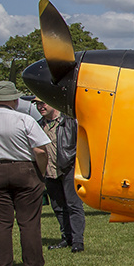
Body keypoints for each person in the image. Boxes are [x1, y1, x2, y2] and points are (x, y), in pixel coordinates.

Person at [0, 81, 50, 266]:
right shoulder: (24, 120)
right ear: (14, 100)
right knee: (29, 221)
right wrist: (41, 173)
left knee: (1, 222)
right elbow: (40, 150)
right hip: (25, 170)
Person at [36, 100, 84, 252]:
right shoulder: (38, 125)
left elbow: (80, 143)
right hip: (49, 171)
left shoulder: (69, 122)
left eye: (43, 103)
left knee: (74, 205)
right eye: (37, 105)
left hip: (68, 168)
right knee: (58, 207)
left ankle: (77, 241)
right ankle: (66, 238)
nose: (40, 107)